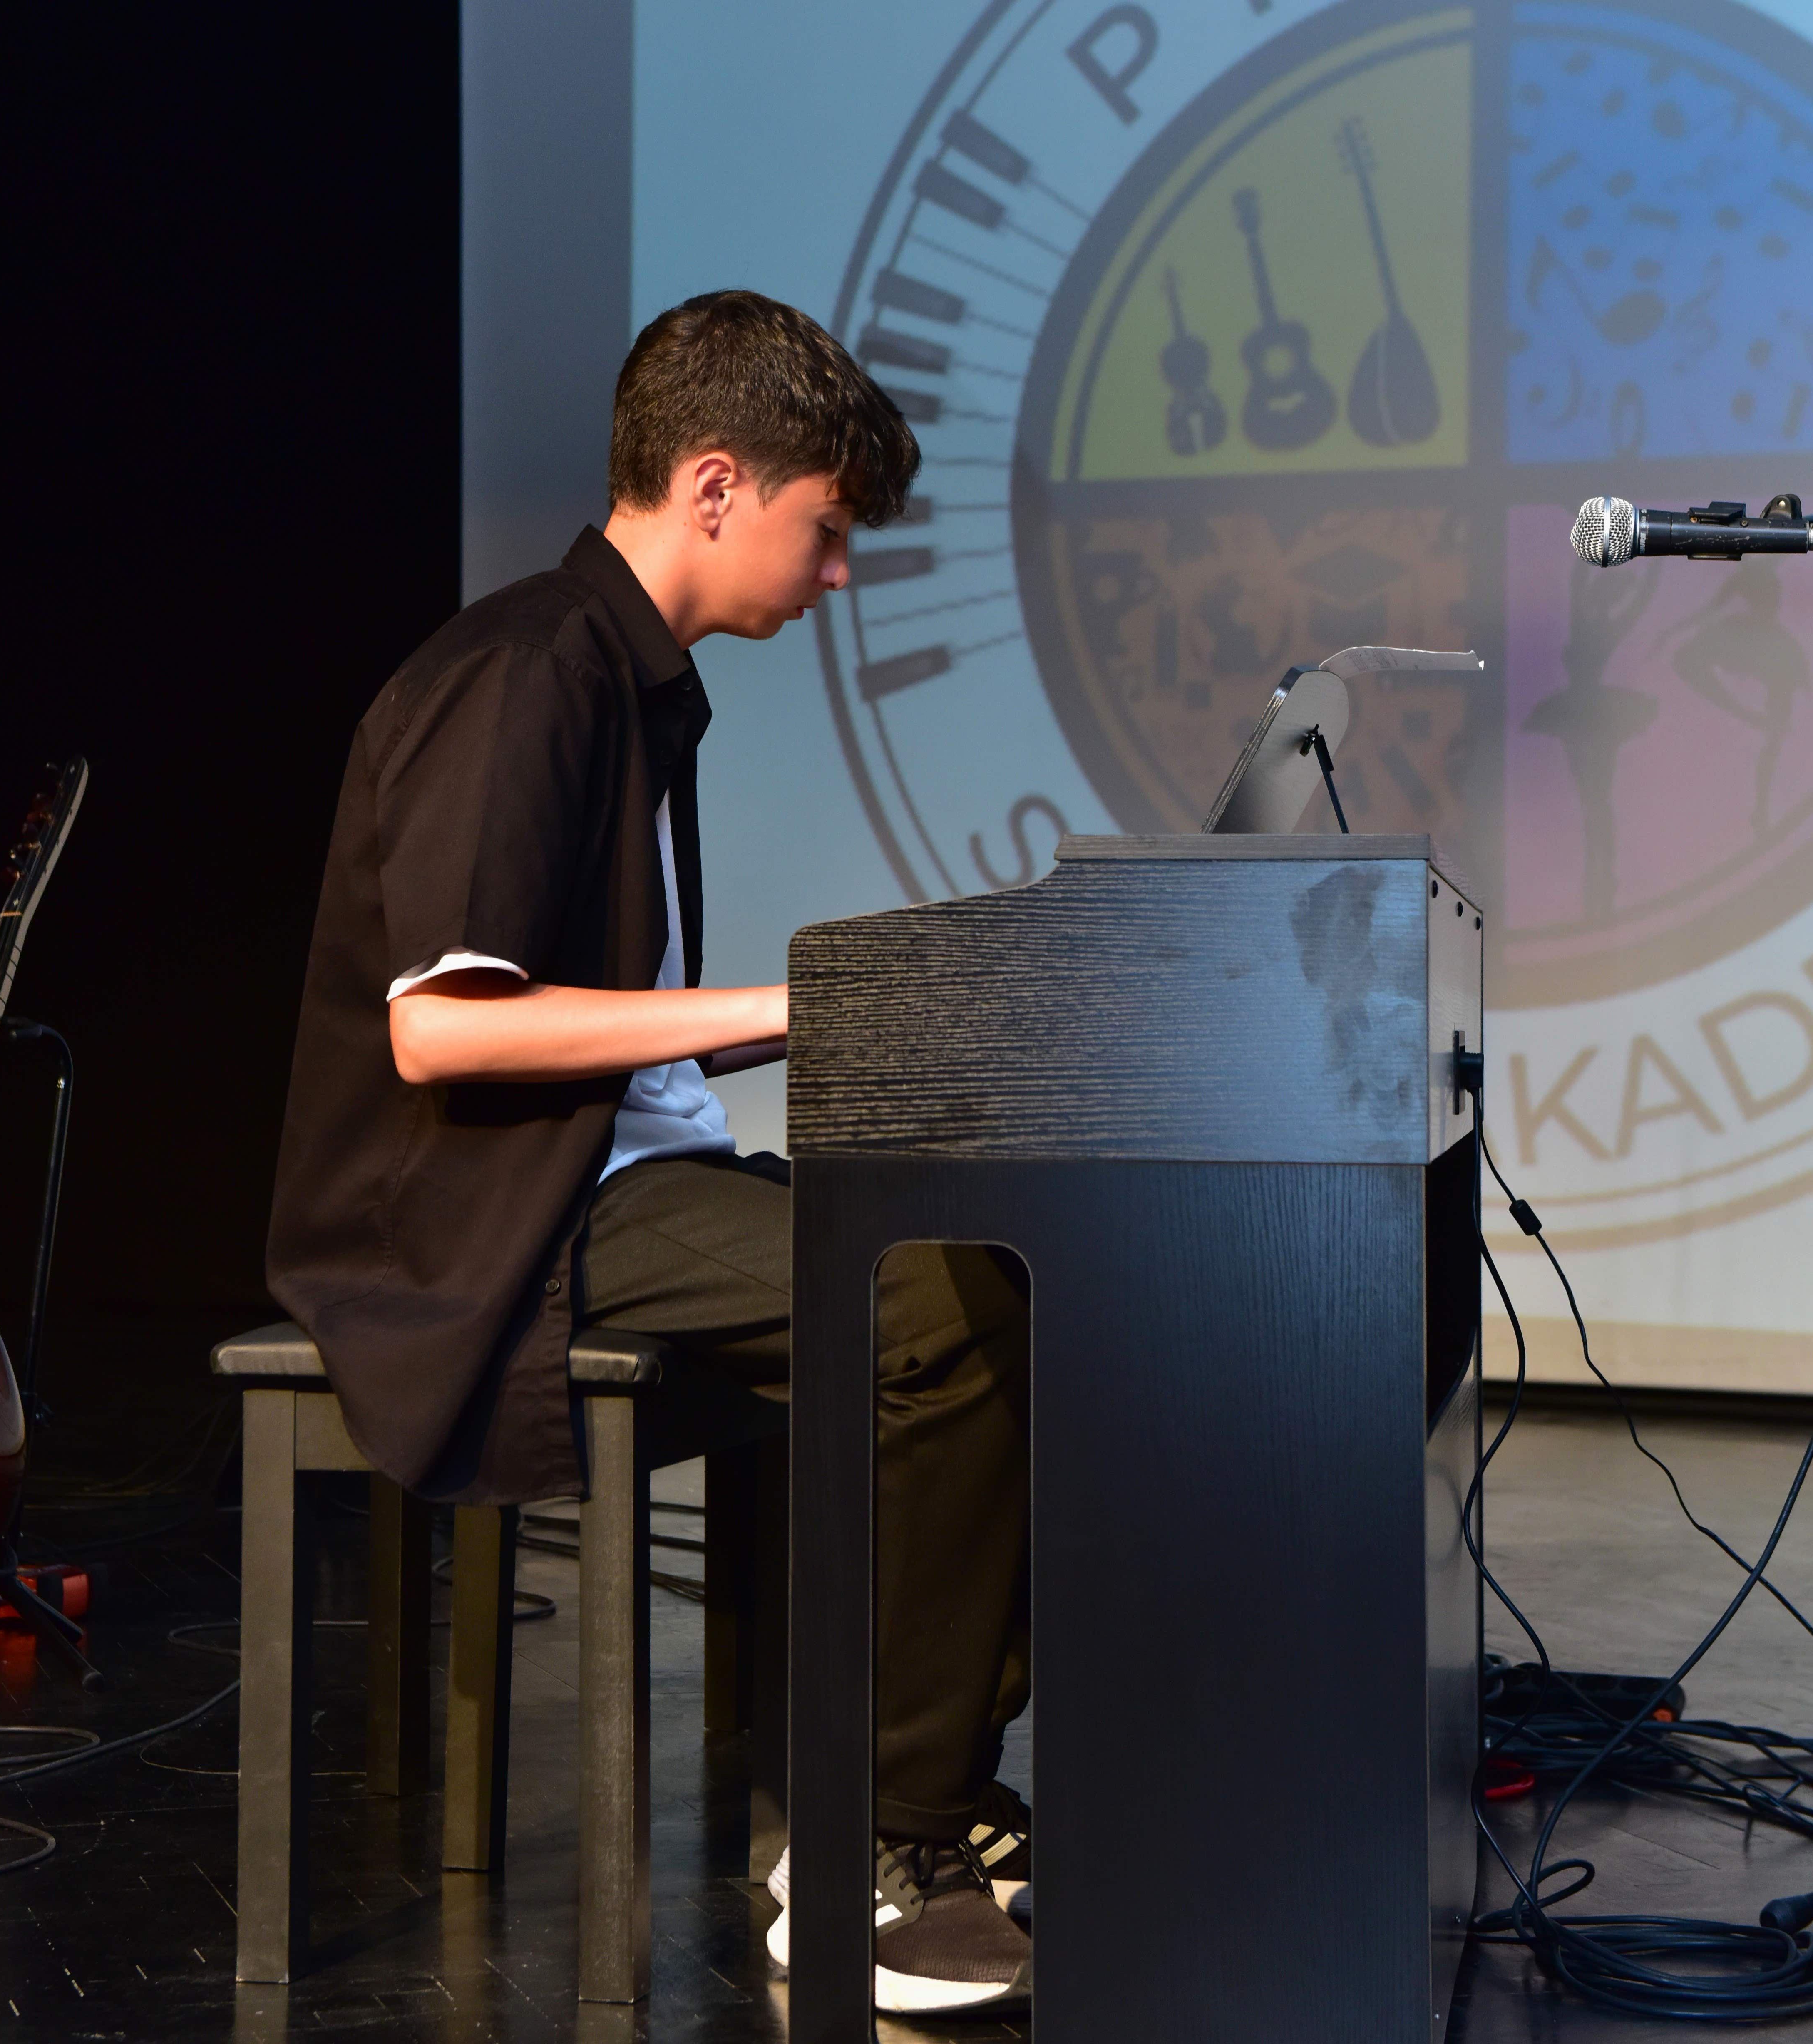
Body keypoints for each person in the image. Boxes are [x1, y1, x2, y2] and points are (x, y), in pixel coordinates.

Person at [268, 290, 1033, 2014]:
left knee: (1012, 1261)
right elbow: (440, 1030)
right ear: (714, 485)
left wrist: (828, 1014)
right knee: (938, 1304)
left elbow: (607, 1019)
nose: (838, 574)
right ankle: (872, 1848)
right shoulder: (525, 673)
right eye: (825, 529)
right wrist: (784, 1004)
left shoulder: (627, 681)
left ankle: (933, 1787)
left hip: (603, 1176)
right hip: (487, 1217)